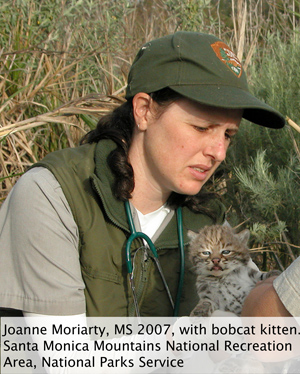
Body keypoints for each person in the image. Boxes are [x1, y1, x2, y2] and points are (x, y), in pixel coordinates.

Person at [0, 31, 285, 319]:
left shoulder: (208, 222)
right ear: (144, 110)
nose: (219, 152)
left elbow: (259, 324)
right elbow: (64, 357)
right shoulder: (54, 195)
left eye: (228, 134)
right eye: (201, 128)